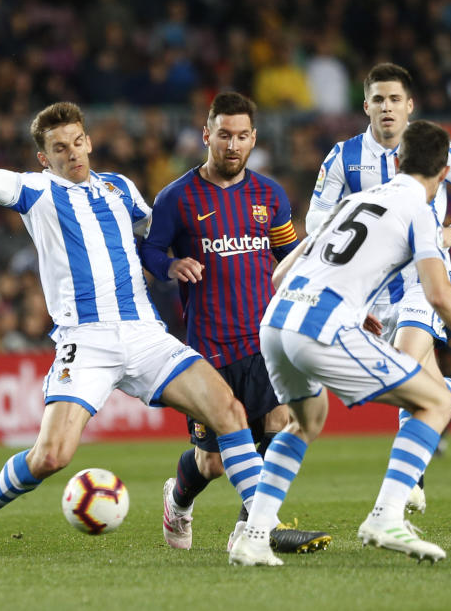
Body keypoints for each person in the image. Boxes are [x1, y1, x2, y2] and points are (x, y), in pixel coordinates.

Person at [0, 69, 268, 556]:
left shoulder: (119, 188)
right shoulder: (37, 192)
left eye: (76, 142)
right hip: (85, 341)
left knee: (230, 412)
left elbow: (157, 235)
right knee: (52, 456)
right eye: (59, 147)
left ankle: (261, 525)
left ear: (89, 142)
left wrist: (188, 259)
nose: (70, 153)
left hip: (144, 333)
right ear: (43, 157)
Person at [228, 121, 451, 566]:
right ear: (444, 174)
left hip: (277, 322)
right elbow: (440, 294)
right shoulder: (422, 213)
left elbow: (279, 274)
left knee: (305, 422)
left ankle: (254, 535)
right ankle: (385, 517)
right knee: (434, 402)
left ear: (397, 162)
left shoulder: (355, 199)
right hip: (322, 328)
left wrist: (349, 298)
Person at [305, 62, 451, 513]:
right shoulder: (342, 157)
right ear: (365, 106)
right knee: (425, 387)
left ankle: (408, 486)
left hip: (423, 280)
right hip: (371, 291)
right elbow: (316, 221)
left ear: (409, 105)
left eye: (395, 99)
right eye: (378, 99)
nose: (386, 108)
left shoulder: (432, 150)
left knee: (401, 365)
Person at [141, 92, 330, 554]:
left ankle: (252, 528)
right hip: (208, 348)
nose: (232, 145)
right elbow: (149, 249)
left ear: (253, 139)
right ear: (207, 135)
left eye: (242, 136)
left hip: (263, 340)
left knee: (280, 424)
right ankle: (177, 499)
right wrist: (171, 266)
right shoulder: (177, 198)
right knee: (212, 462)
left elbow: (290, 256)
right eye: (224, 134)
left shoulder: (270, 196)